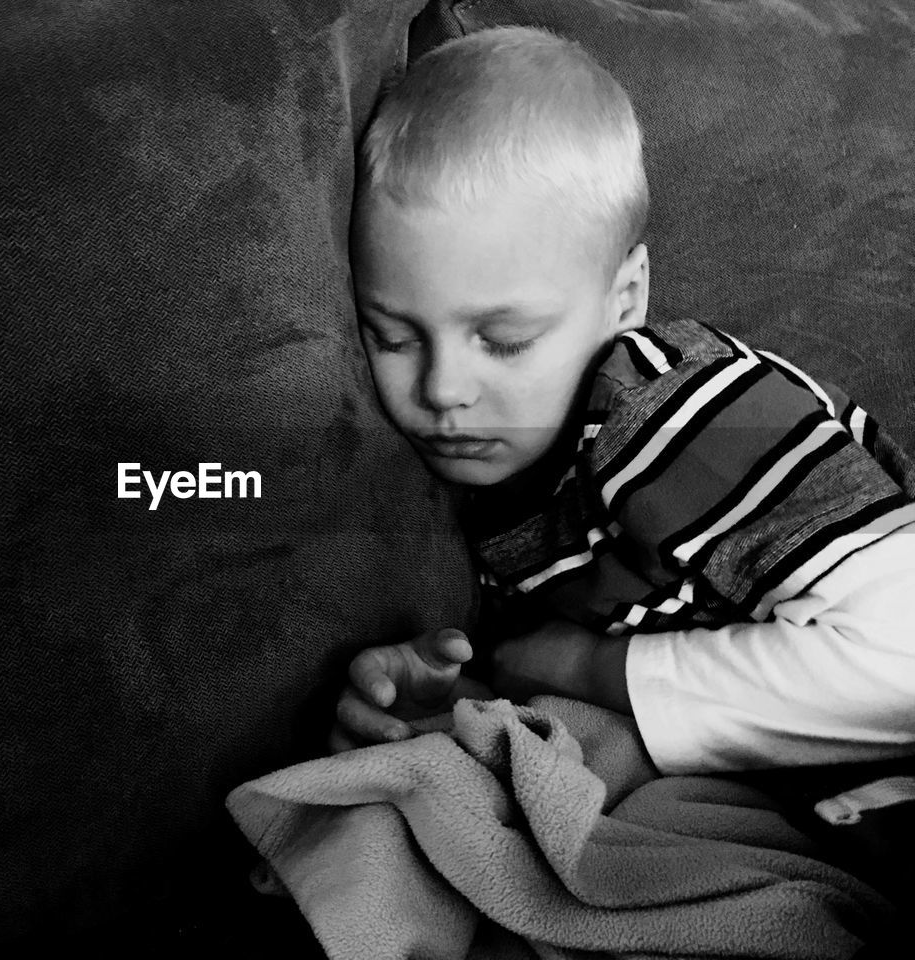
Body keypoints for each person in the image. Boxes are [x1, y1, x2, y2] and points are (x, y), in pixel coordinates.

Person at [332, 25, 915, 777]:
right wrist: (457, 704)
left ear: (625, 299)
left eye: (506, 340)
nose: (443, 389)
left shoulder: (684, 411)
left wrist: (584, 669)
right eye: (393, 337)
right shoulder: (479, 487)